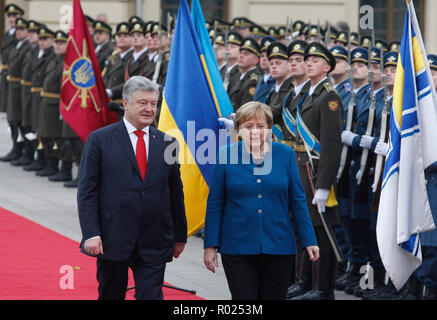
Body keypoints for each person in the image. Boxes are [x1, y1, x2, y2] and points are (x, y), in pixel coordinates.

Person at [77, 76, 187, 300]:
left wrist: (180, 236)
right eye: (142, 103)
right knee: (111, 294)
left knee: (150, 296)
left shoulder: (167, 142)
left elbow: (175, 192)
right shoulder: (100, 139)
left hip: (154, 238)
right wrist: (91, 233)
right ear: (125, 103)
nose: (149, 109)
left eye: (153, 104)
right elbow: (87, 191)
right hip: (112, 238)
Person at [203, 101, 319, 300]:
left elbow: (298, 200)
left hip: (278, 245)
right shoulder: (225, 154)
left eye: (260, 126)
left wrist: (309, 239)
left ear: (269, 129)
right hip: (237, 246)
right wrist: (210, 245)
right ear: (238, 129)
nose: (255, 132)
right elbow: (215, 203)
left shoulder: (286, 154)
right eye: (248, 126)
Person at [290, 42, 343, 300]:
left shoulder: (329, 97)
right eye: (307, 59)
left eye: (314, 60)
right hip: (302, 170)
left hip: (316, 173)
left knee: (322, 231)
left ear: (326, 67)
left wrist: (324, 185)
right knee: (306, 228)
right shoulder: (307, 95)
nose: (308, 62)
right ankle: (307, 282)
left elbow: (331, 145)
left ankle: (323, 289)